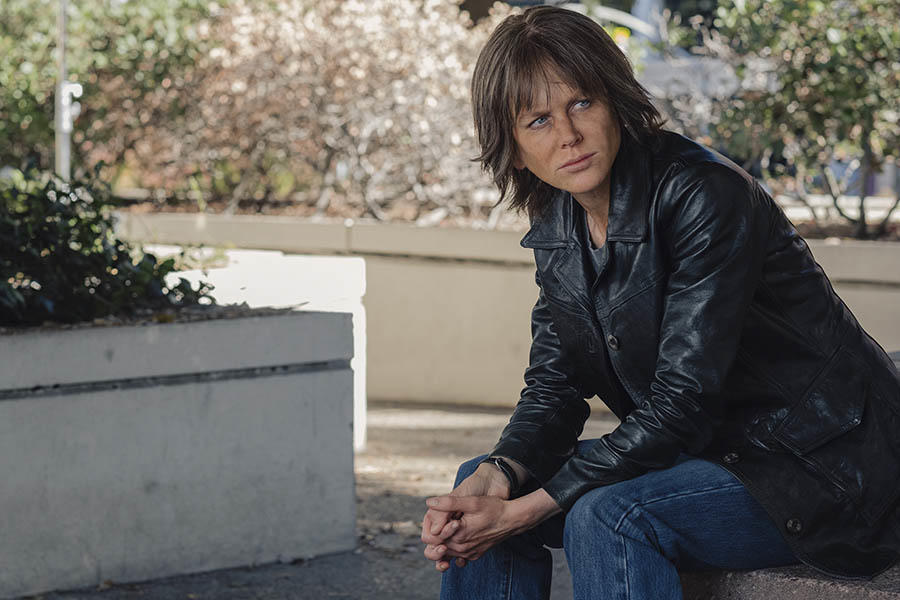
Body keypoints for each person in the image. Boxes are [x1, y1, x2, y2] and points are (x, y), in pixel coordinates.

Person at [419, 5, 900, 600]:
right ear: (514, 148)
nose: (567, 134)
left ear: (614, 100)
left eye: (581, 103)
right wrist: (502, 472)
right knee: (476, 488)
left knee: (610, 516)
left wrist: (531, 508)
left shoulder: (705, 195)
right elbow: (554, 388)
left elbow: (682, 400)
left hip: (821, 465)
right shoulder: (560, 224)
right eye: (538, 120)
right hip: (710, 453)